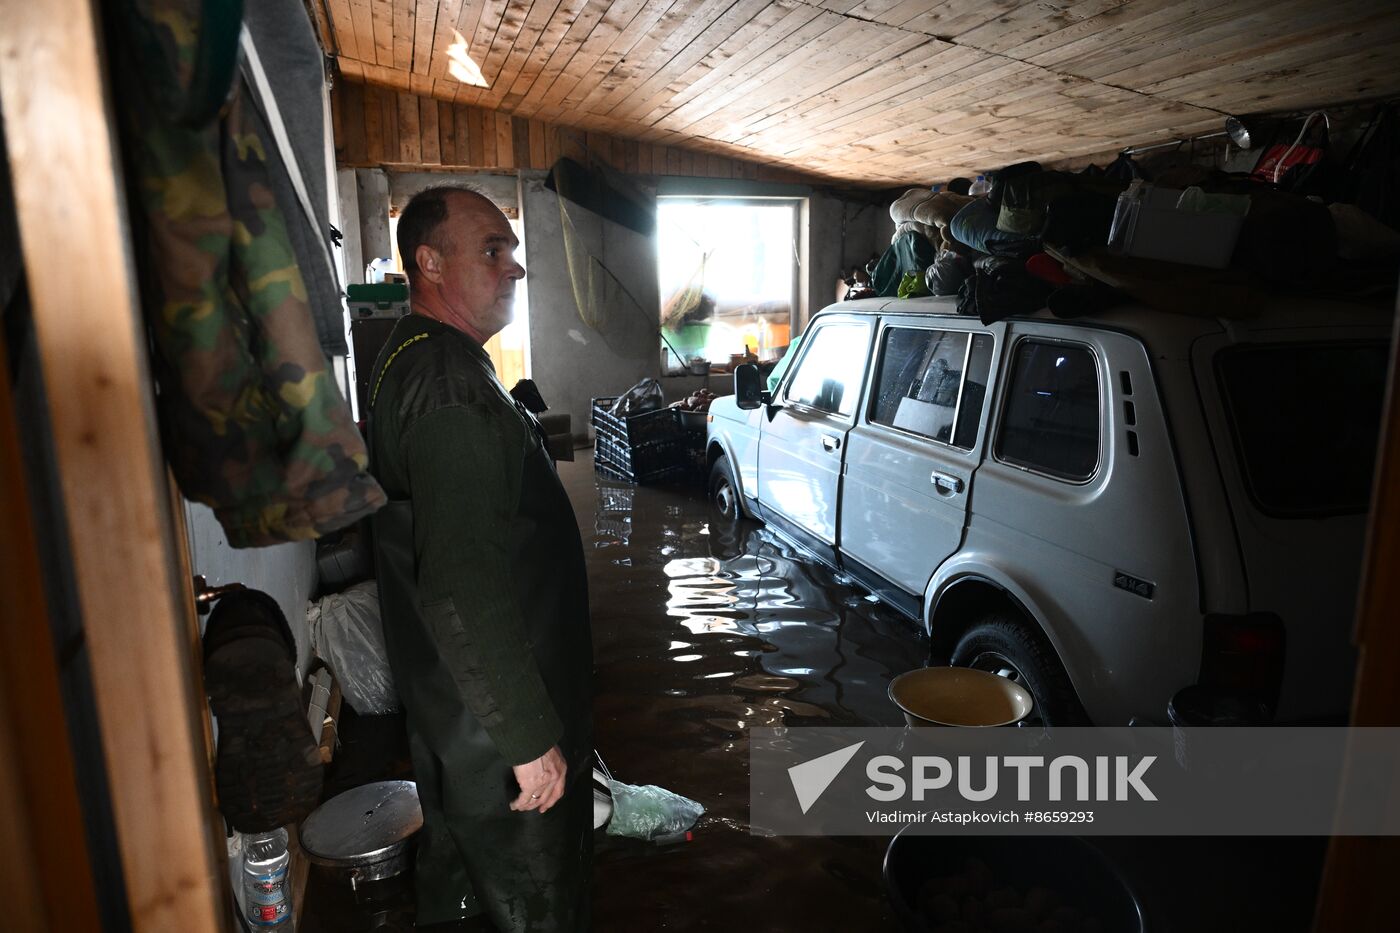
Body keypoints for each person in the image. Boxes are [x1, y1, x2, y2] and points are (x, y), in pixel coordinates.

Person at [367, 186, 593, 931]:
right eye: (493, 250)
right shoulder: (449, 389)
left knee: (464, 888)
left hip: (457, 710)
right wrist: (529, 739)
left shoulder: (427, 356)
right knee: (531, 897)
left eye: (513, 251)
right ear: (429, 263)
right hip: (493, 731)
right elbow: (462, 583)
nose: (515, 268)